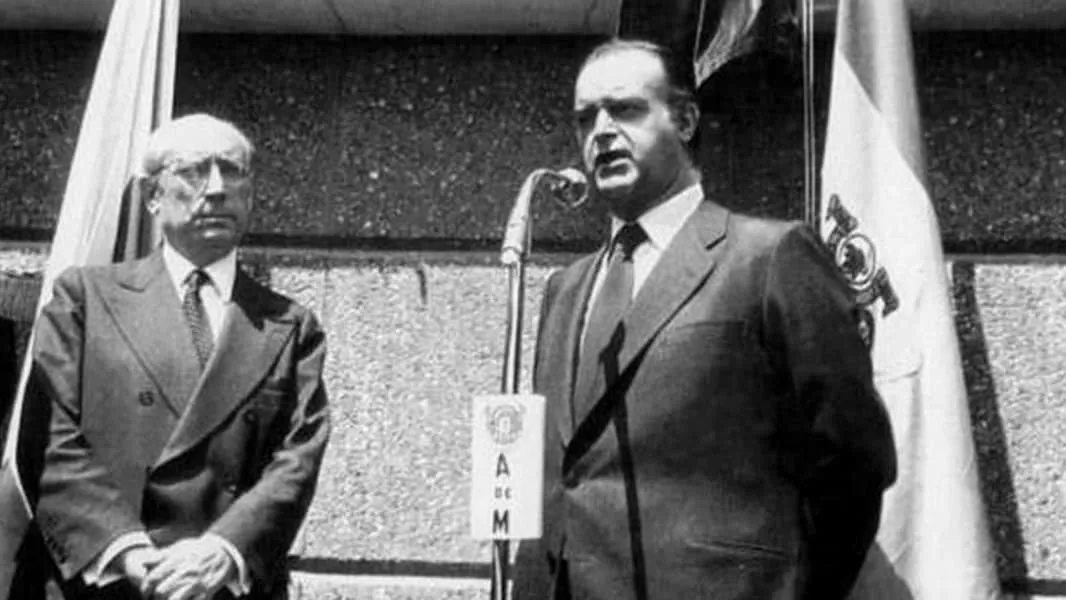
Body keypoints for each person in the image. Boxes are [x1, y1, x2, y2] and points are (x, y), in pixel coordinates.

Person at [513, 39, 897, 600]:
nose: (601, 132)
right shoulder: (564, 290)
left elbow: (853, 458)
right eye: (585, 118)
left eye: (625, 109)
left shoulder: (768, 257)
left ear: (686, 120)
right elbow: (564, 474)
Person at [17, 113, 330, 600]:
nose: (217, 188)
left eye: (233, 170)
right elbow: (48, 436)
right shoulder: (85, 300)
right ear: (152, 196)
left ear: (251, 195)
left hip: (221, 585)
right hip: (105, 580)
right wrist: (125, 549)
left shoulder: (289, 325)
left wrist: (223, 550)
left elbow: (297, 459)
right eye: (193, 170)